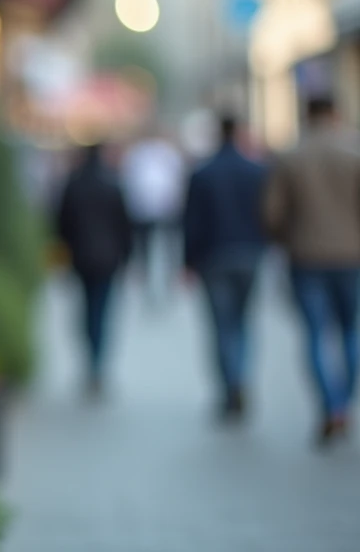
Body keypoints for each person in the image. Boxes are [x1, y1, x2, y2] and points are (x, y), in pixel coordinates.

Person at [264, 95, 360, 445]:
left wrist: (289, 237)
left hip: (306, 257)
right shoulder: (354, 153)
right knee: (351, 330)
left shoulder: (291, 157)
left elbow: (272, 214)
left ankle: (330, 405)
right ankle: (345, 402)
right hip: (352, 257)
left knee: (316, 333)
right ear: (335, 113)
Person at [182, 114, 268, 422]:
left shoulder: (203, 173)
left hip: (214, 257)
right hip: (249, 254)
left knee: (221, 326)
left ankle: (230, 385)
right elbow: (268, 215)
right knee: (243, 323)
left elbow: (191, 221)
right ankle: (240, 378)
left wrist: (187, 261)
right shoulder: (256, 171)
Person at [55, 144, 134, 396]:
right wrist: (127, 257)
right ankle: (97, 364)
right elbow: (124, 225)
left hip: (81, 258)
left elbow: (60, 223)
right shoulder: (112, 183)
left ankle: (92, 361)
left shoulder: (74, 183)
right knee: (102, 310)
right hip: (108, 259)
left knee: (87, 310)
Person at [121, 129, 186, 303]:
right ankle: (148, 278)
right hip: (145, 210)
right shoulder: (140, 154)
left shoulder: (164, 153)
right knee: (146, 249)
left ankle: (168, 279)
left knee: (167, 247)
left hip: (164, 208)